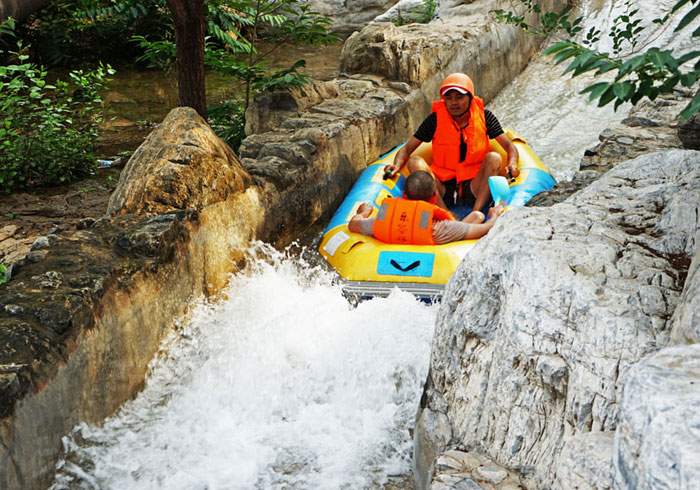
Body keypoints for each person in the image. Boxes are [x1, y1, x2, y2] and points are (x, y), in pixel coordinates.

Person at [383, 72, 519, 223]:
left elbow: (509, 146)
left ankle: (476, 212)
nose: (454, 102)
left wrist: (512, 163)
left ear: (470, 97)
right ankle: (447, 216)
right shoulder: (434, 120)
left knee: (494, 158)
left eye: (459, 97)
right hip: (443, 188)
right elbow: (407, 149)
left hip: (473, 185)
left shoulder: (485, 117)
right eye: (449, 98)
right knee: (415, 162)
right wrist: (396, 165)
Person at [348, 171, 503, 245]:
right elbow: (488, 229)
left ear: (403, 196)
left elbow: (353, 224)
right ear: (435, 197)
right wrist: (495, 215)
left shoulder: (380, 222)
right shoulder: (443, 229)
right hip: (436, 263)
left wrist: (362, 213)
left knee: (477, 215)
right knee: (479, 216)